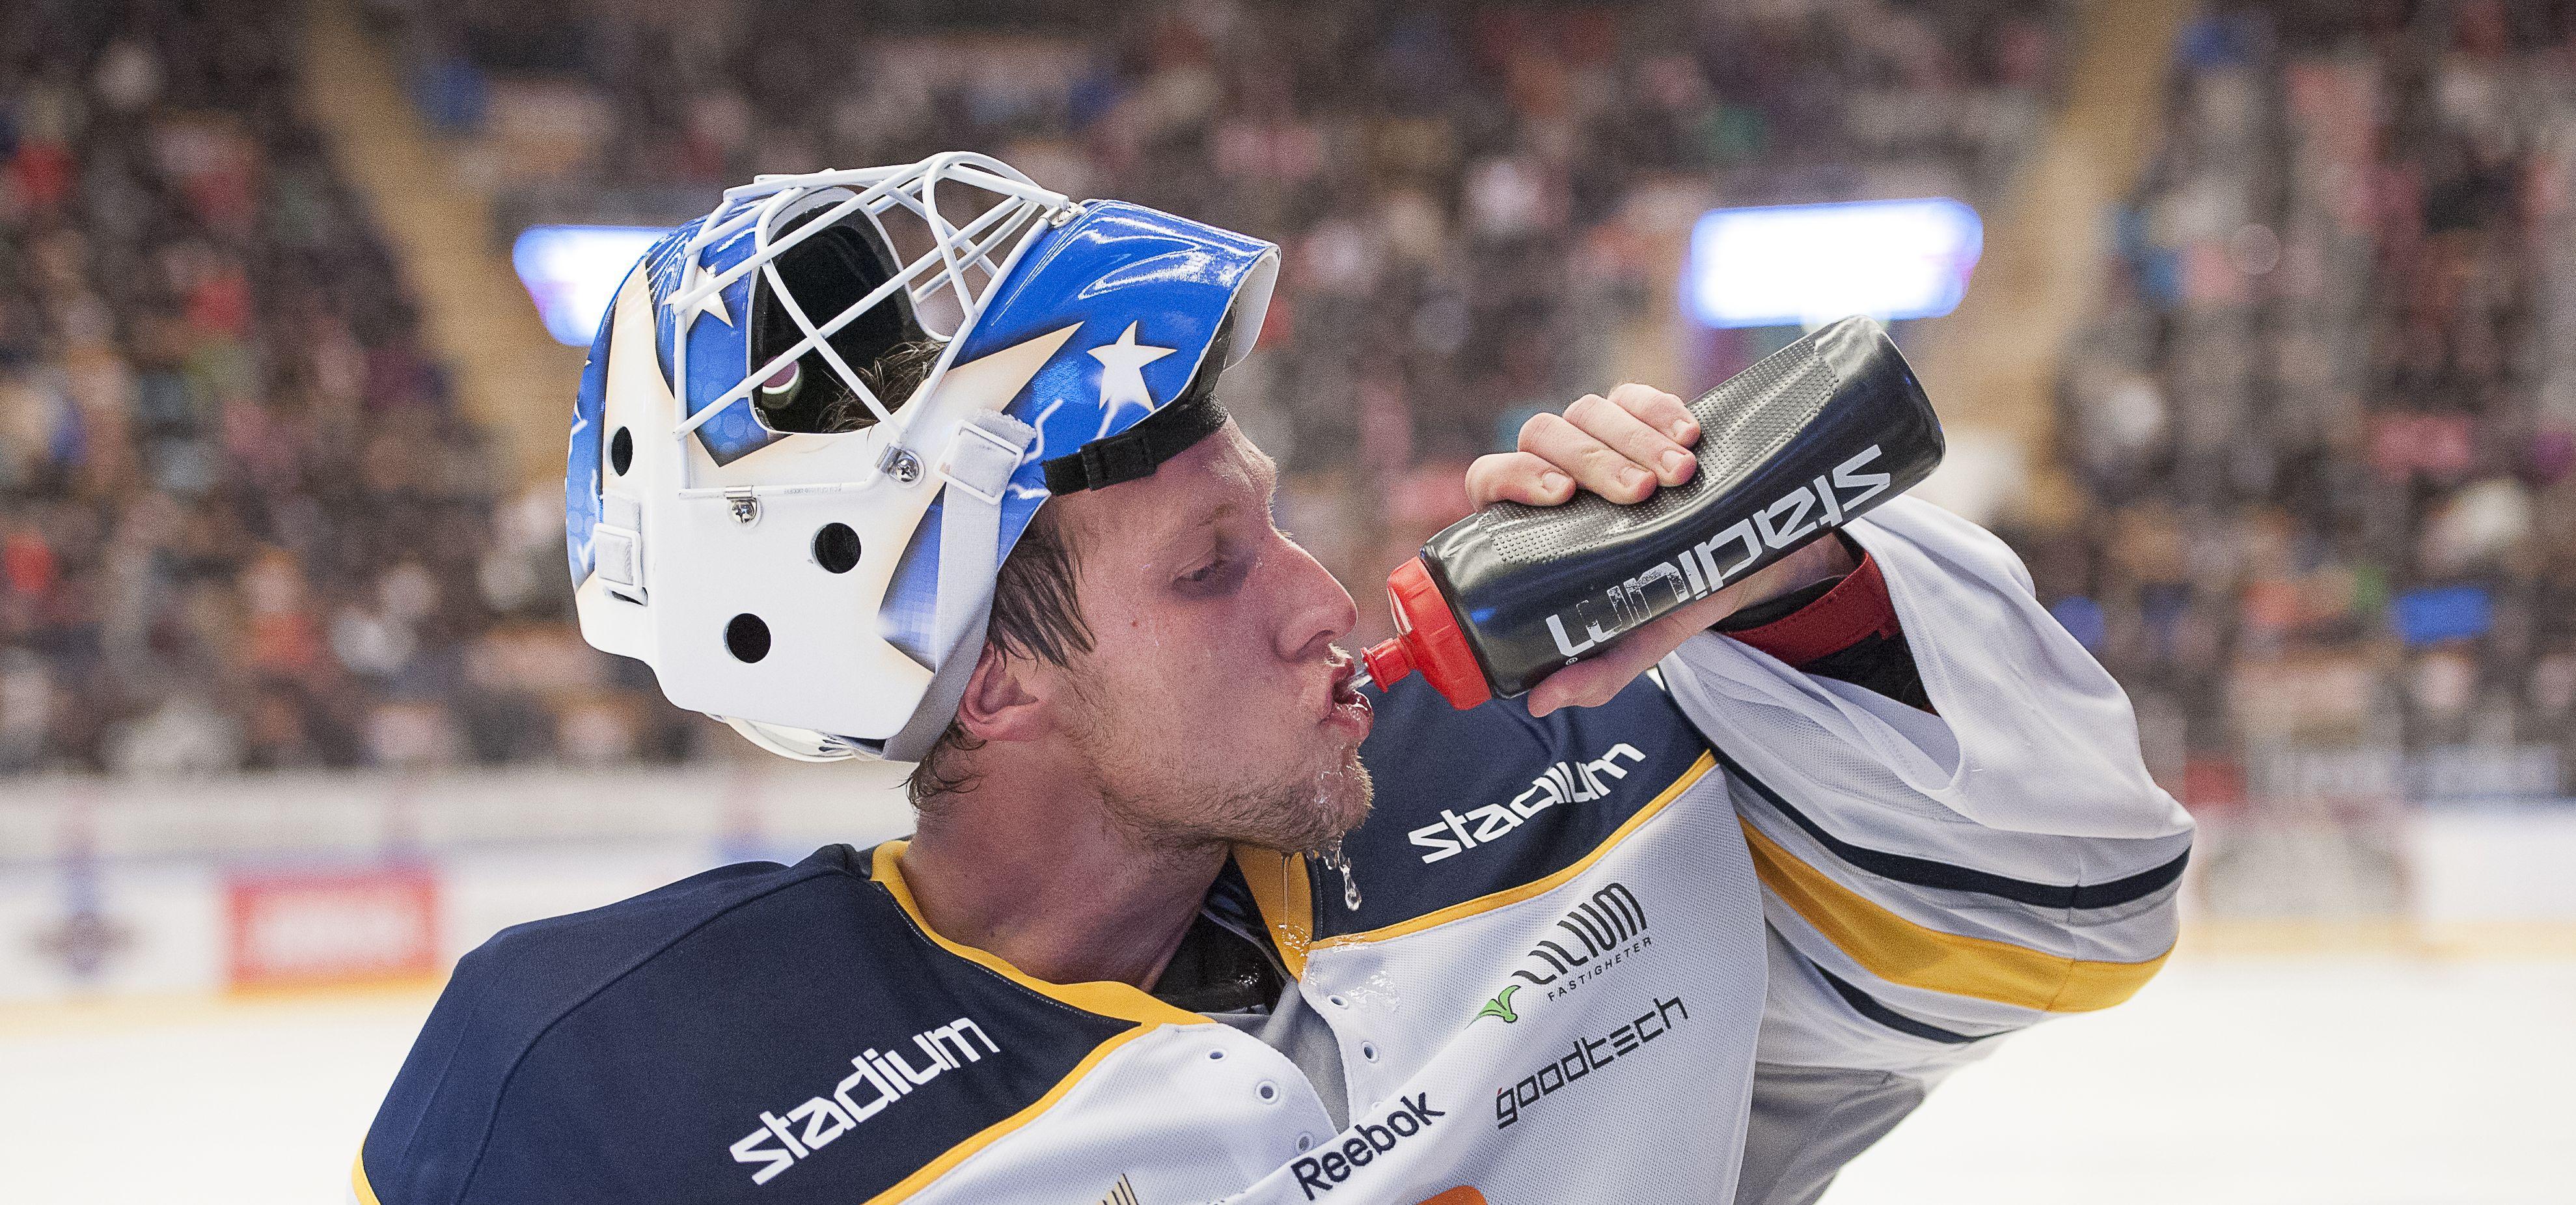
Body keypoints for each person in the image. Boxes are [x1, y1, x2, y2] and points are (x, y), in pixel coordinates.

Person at [357, 154, 2193, 1205]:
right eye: (1214, 570)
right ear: (985, 680)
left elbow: (2086, 899)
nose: (1329, 604)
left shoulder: (1573, 766)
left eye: (1272, 520)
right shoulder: (597, 1096)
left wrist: (1783, 593)